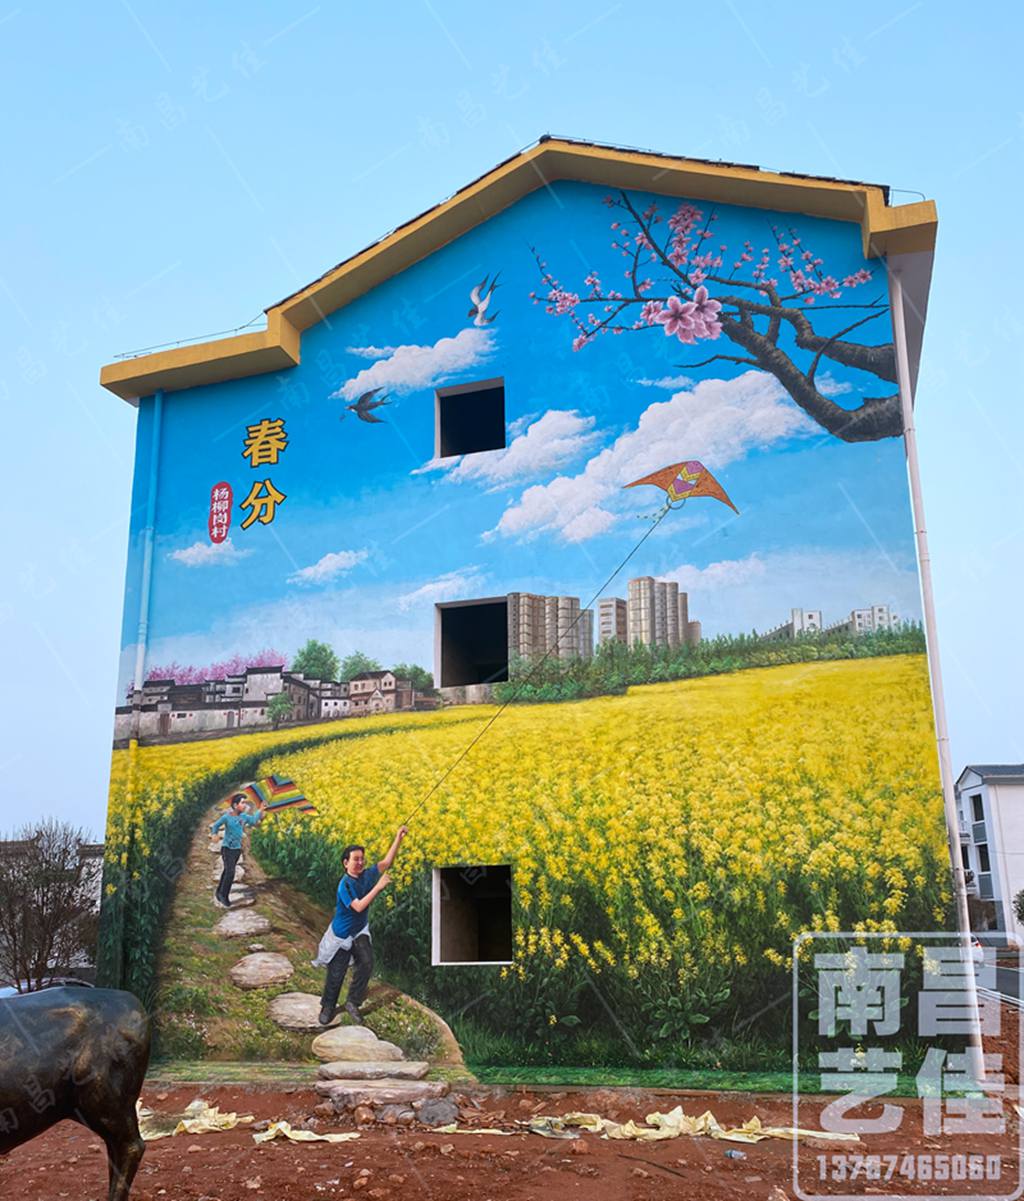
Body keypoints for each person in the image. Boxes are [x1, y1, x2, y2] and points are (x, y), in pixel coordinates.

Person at [318, 825, 408, 1027]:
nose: (360, 863)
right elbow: (358, 907)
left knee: (366, 962)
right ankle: (328, 1006)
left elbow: (386, 862)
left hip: (359, 931)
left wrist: (398, 838)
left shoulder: (367, 875)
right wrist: (378, 887)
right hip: (341, 935)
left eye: (362, 859)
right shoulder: (345, 885)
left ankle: (353, 1002)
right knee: (337, 971)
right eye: (355, 859)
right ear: (345, 863)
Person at [210, 793, 264, 908]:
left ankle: (219, 891)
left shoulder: (243, 817)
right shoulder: (227, 817)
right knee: (230, 872)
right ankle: (223, 895)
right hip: (227, 848)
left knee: (227, 871)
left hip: (237, 849)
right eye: (242, 803)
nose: (244, 805)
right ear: (235, 805)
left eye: (245, 803)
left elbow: (253, 820)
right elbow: (215, 826)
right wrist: (214, 834)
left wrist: (260, 810)